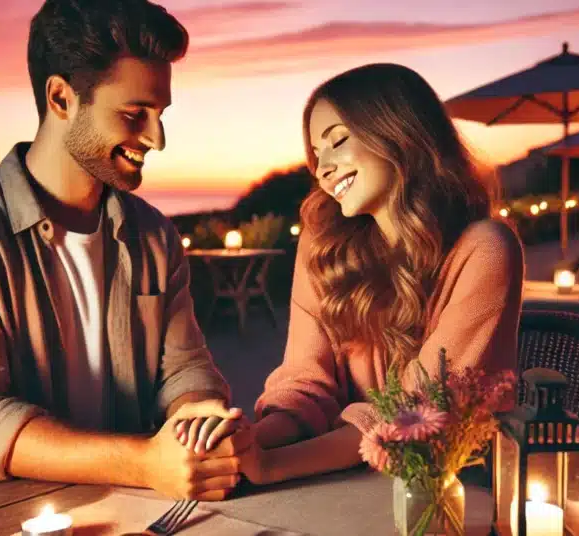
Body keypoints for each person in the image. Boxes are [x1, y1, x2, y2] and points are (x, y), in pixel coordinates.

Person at [0, 0, 246, 501]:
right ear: (61, 98)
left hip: (135, 506)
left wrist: (202, 423)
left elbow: (185, 371)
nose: (157, 138)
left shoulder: (154, 236)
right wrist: (144, 462)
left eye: (160, 113)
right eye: (135, 114)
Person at [180, 63, 524, 486]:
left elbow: (417, 412)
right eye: (315, 155)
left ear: (399, 133)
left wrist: (273, 466)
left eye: (337, 142)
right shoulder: (325, 247)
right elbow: (304, 383)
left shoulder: (485, 248)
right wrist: (247, 441)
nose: (322, 168)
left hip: (450, 487)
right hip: (341, 476)